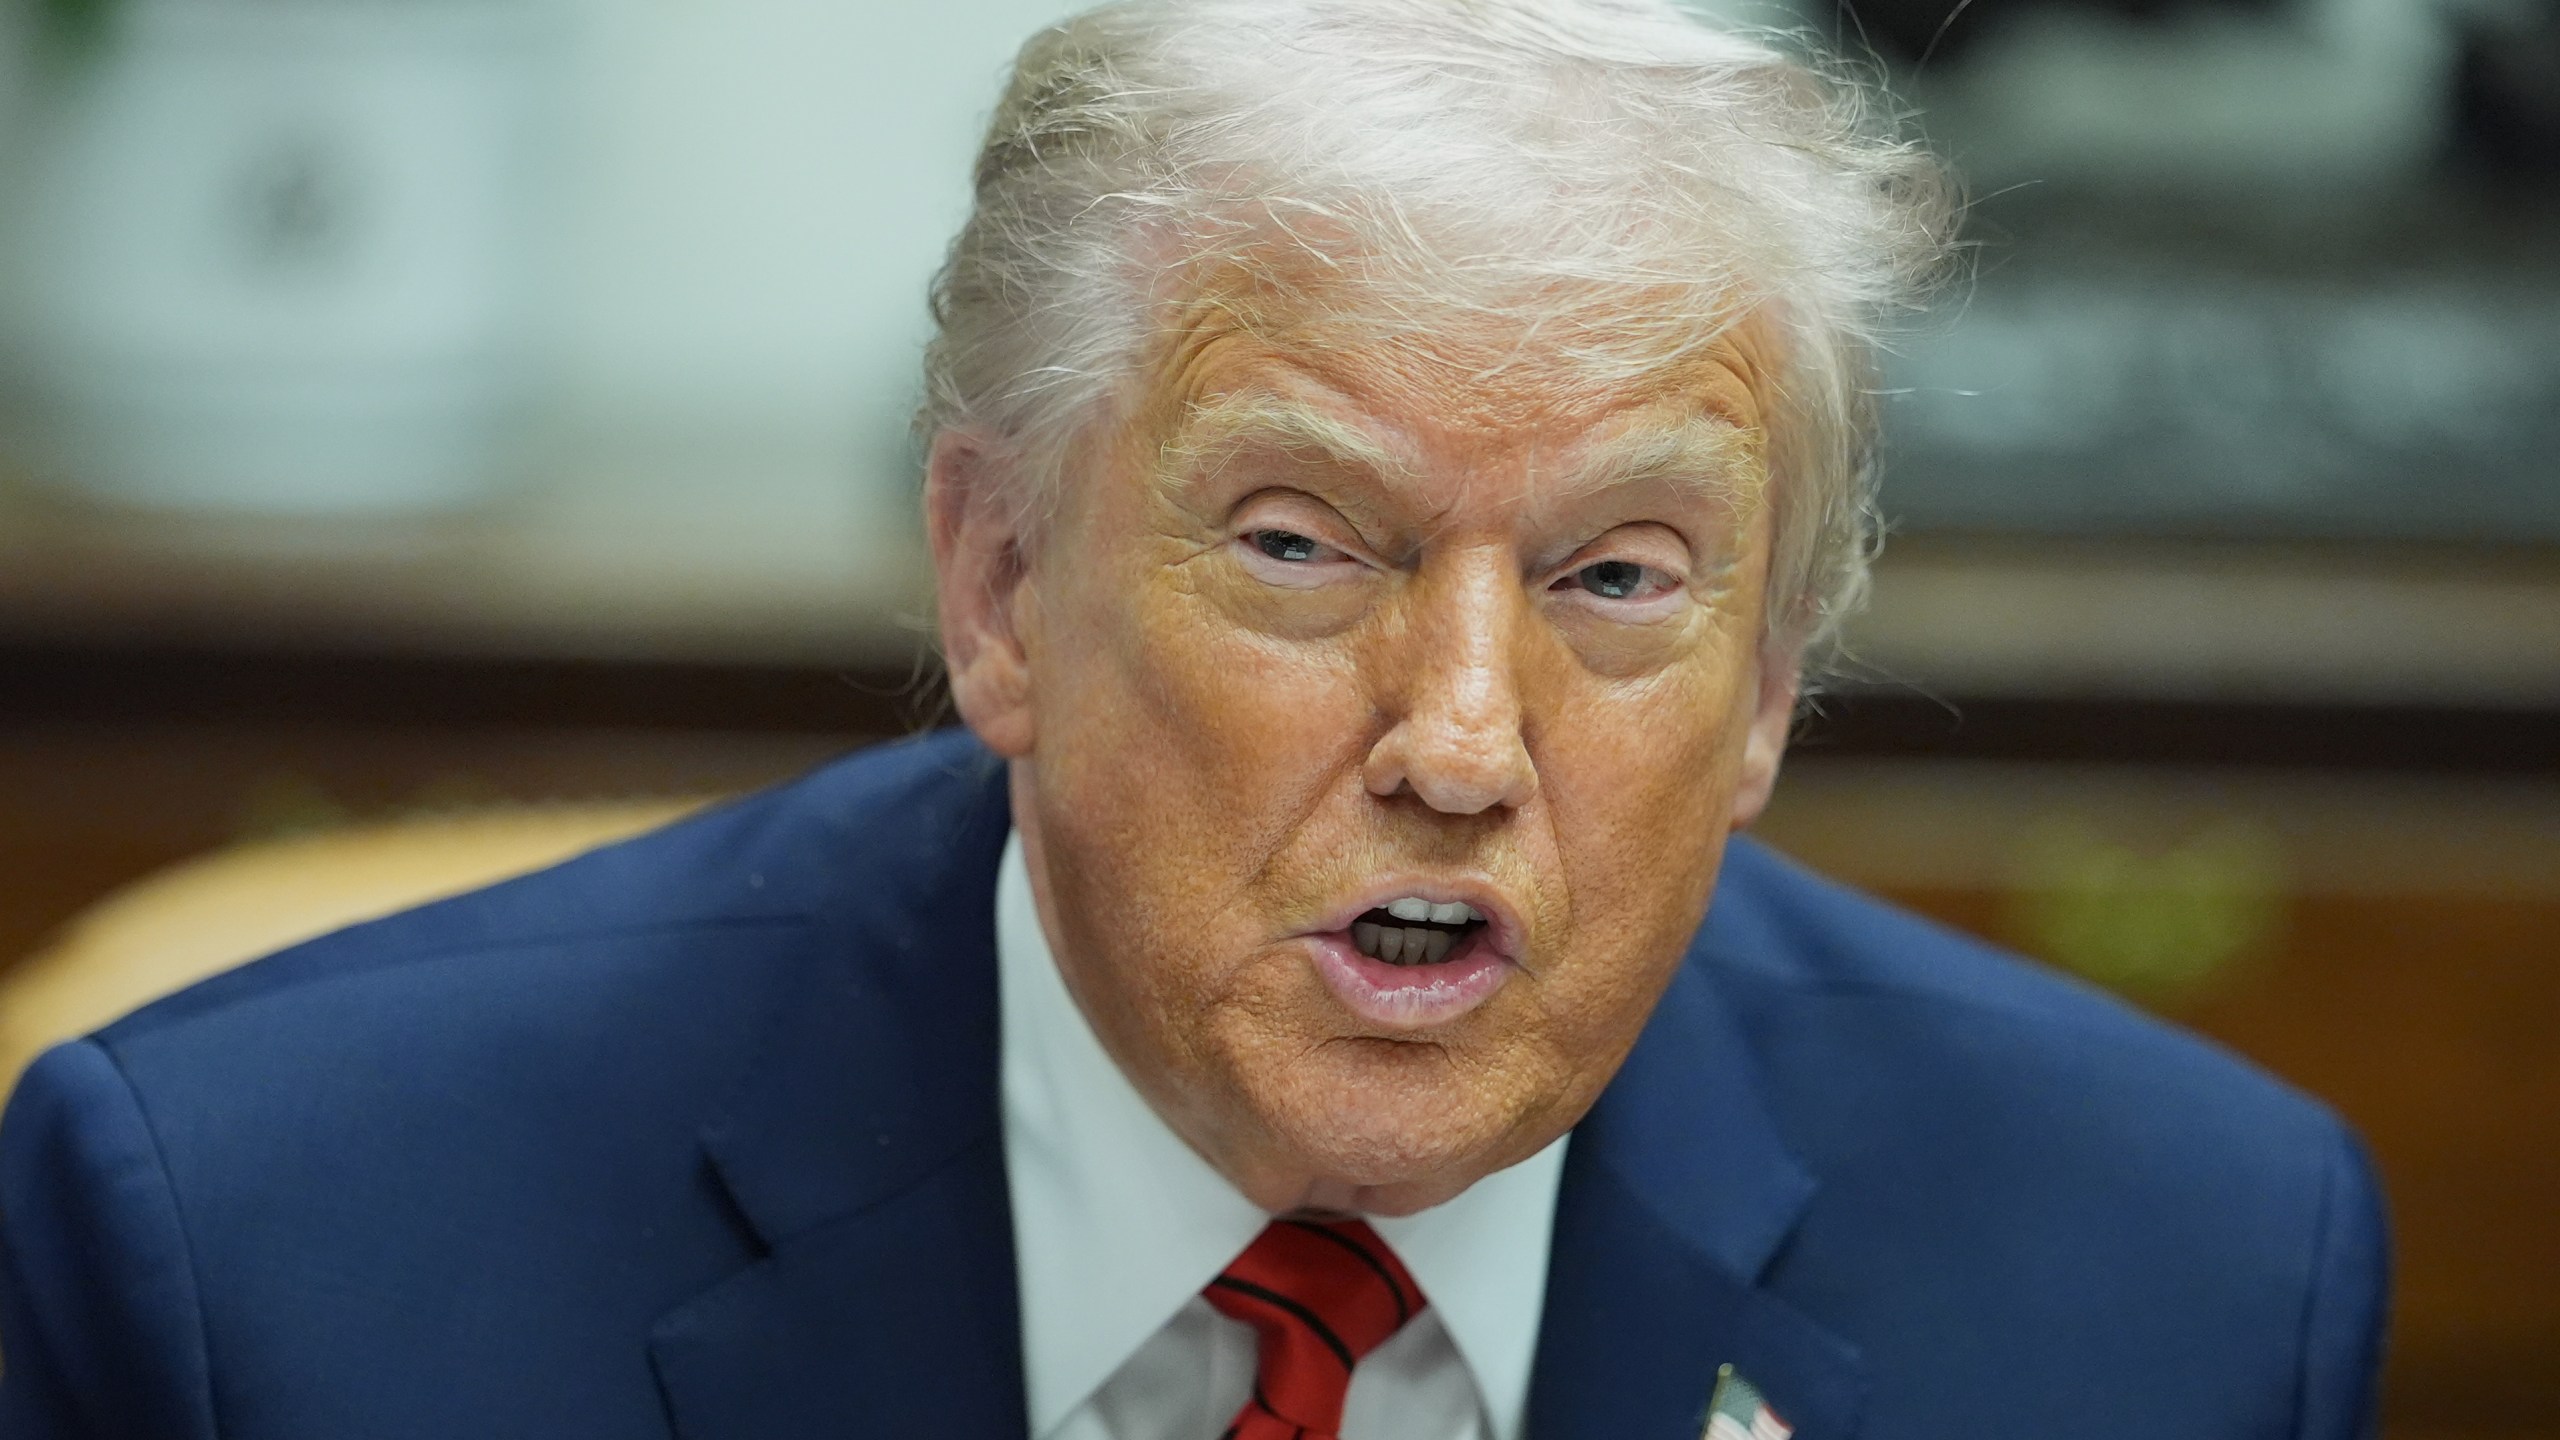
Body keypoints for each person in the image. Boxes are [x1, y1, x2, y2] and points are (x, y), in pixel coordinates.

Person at [0, 2, 2388, 1437]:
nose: (1461, 740)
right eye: (1298, 543)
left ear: (1766, 682)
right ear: (999, 586)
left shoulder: (2176, 1285)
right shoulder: (259, 1261)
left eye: (1616, 580)